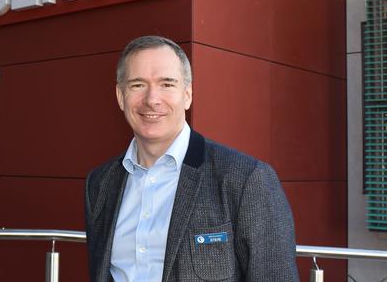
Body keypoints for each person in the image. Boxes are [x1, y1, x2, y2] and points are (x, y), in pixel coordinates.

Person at [84, 36, 298, 282]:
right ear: (121, 96)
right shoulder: (99, 184)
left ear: (187, 94)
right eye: (137, 85)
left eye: (167, 84)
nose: (152, 99)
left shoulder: (246, 179)